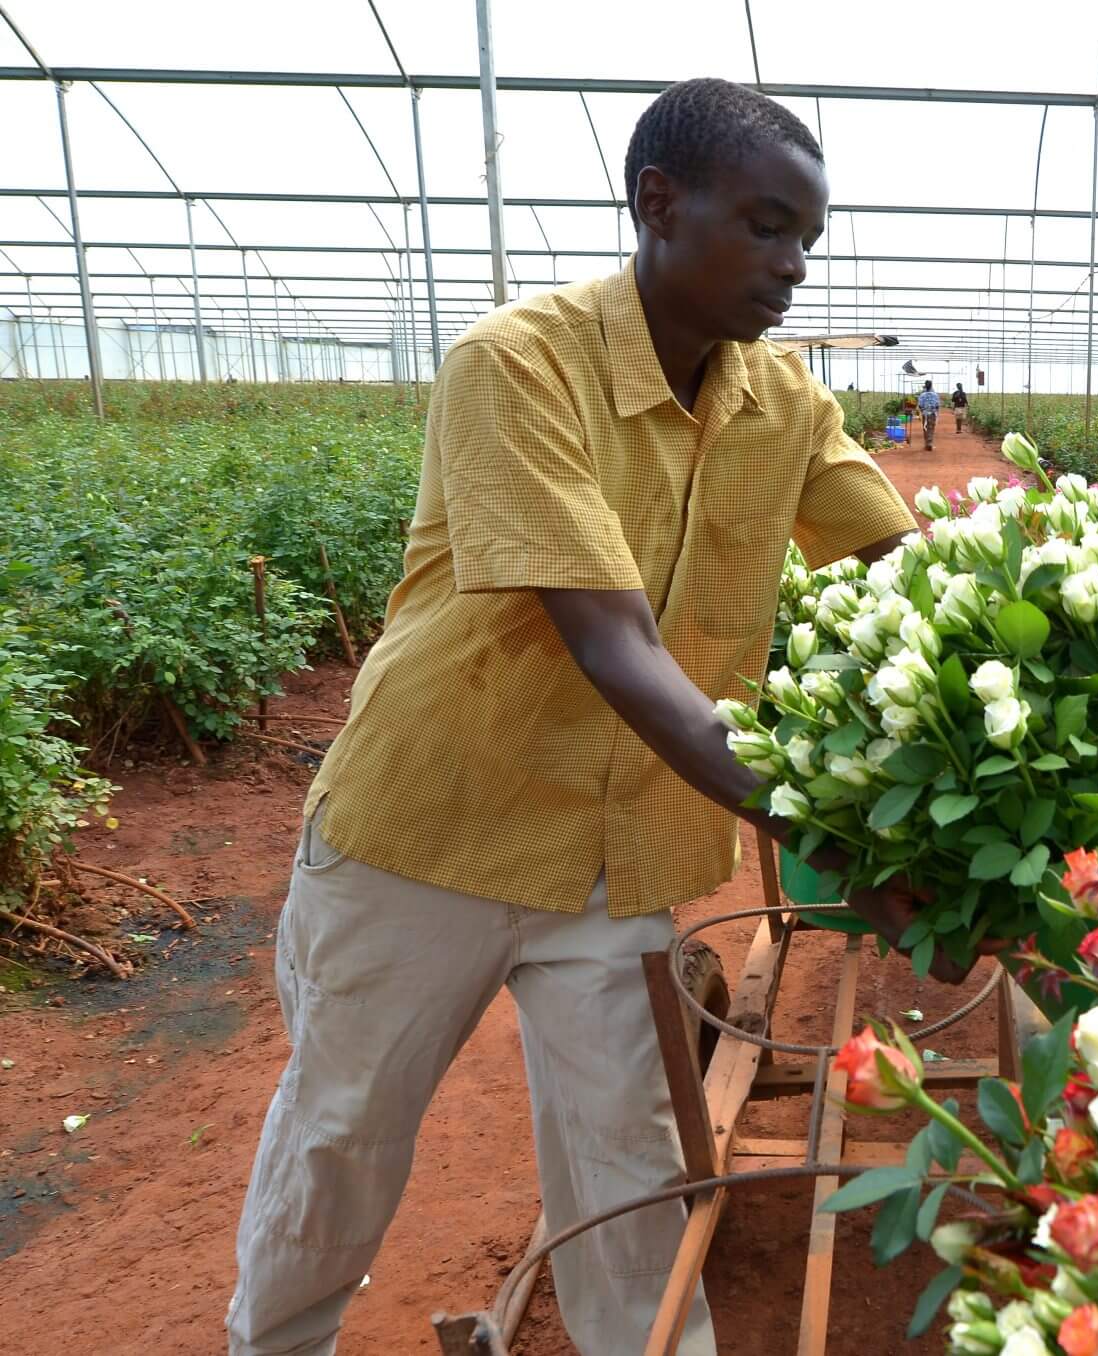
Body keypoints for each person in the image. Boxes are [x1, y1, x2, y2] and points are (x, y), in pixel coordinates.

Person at [225, 77, 962, 1356]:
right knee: (343, 1134)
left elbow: (909, 573)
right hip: (431, 830)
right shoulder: (517, 365)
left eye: (808, 240)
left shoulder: (784, 401)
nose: (792, 267)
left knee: (630, 1158)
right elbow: (613, 646)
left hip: (621, 852)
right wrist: (848, 847)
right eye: (767, 225)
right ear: (658, 203)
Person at [916, 378, 940, 449]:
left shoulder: (922, 395)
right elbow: (937, 405)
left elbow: (920, 405)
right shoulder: (935, 395)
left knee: (925, 428)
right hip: (932, 413)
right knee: (931, 428)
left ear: (925, 386)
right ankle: (929, 443)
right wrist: (936, 412)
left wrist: (922, 411)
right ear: (931, 386)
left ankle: (926, 443)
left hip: (925, 414)